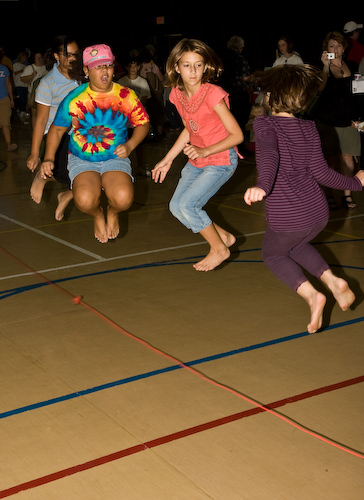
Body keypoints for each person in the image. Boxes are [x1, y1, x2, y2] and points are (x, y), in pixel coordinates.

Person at [243, 64, 364, 334]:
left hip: (289, 215)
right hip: (317, 212)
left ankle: (313, 295)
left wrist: (262, 186)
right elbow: (322, 173)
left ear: (272, 96)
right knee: (295, 246)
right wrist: (355, 182)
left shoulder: (265, 124)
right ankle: (333, 281)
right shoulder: (309, 128)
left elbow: (270, 156)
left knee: (273, 254)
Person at [40, 44, 150, 243]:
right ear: (86, 70)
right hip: (82, 159)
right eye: (98, 66)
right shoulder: (74, 98)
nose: (104, 70)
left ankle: (113, 213)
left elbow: (143, 124)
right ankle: (98, 215)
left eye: (108, 65)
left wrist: (131, 145)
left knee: (123, 199)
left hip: (115, 157)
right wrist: (48, 158)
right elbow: (56, 130)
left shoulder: (125, 95)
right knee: (85, 200)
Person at [152, 38, 244, 272]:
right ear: (176, 67)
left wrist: (204, 150)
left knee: (189, 205)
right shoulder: (176, 94)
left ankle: (220, 249)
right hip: (198, 161)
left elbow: (236, 135)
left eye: (198, 65)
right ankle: (224, 238)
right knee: (176, 207)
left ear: (206, 67)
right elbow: (188, 129)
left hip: (221, 160)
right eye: (186, 65)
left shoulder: (213, 94)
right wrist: (167, 159)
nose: (193, 71)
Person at [26, 35, 79, 221]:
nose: (72, 58)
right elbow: (40, 121)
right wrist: (34, 154)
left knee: (96, 174)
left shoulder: (83, 76)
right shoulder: (48, 83)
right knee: (69, 174)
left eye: (75, 54)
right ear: (57, 56)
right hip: (57, 135)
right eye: (67, 54)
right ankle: (42, 175)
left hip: (79, 133)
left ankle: (66, 195)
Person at [313, 31, 362, 209]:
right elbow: (320, 89)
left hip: (350, 121)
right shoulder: (323, 70)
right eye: (332, 46)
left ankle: (347, 194)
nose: (336, 49)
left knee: (348, 160)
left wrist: (361, 120)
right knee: (330, 161)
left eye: (339, 45)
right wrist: (325, 66)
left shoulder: (353, 65)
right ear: (326, 49)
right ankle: (329, 195)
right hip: (328, 122)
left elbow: (359, 94)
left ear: (344, 47)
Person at [118, 56, 151, 176]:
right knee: (123, 143)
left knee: (139, 145)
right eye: (130, 66)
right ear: (127, 67)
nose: (133, 68)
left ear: (139, 67)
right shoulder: (121, 82)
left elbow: (144, 99)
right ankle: (124, 168)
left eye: (135, 66)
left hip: (138, 121)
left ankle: (140, 166)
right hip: (124, 121)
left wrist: (134, 112)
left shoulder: (143, 82)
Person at [220, 36, 252, 147]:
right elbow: (245, 77)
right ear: (240, 47)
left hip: (224, 94)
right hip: (238, 94)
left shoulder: (223, 59)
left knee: (227, 121)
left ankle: (227, 146)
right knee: (240, 121)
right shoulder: (240, 59)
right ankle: (240, 147)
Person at [21, 51, 47, 126]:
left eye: (40, 57)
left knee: (43, 115)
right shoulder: (30, 68)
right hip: (33, 95)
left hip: (45, 95)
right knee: (35, 114)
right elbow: (22, 79)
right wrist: (32, 75)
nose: (39, 59)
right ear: (34, 59)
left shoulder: (45, 68)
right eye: (36, 58)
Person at [0, 62, 17, 151]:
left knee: (5, 123)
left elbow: (9, 84)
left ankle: (9, 145)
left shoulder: (4, 69)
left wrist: (11, 99)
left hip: (3, 99)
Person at [13, 51, 29, 121]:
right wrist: (22, 70)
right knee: (21, 98)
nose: (25, 59)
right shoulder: (16, 65)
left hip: (25, 85)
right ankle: (21, 111)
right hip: (18, 84)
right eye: (24, 57)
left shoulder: (25, 66)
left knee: (25, 98)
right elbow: (15, 73)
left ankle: (22, 110)